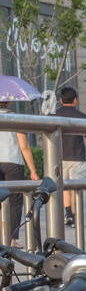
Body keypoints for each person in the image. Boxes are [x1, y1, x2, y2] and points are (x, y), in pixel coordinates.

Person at [52, 87, 86, 230]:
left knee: (65, 188)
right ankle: (75, 215)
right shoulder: (81, 117)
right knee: (76, 188)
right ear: (75, 100)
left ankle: (68, 214)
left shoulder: (54, 116)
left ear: (60, 100)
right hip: (77, 158)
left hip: (59, 158)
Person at [0, 100, 38, 244]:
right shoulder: (16, 118)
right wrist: (33, 170)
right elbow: (24, 147)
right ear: (8, 102)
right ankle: (12, 239)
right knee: (15, 201)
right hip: (13, 162)